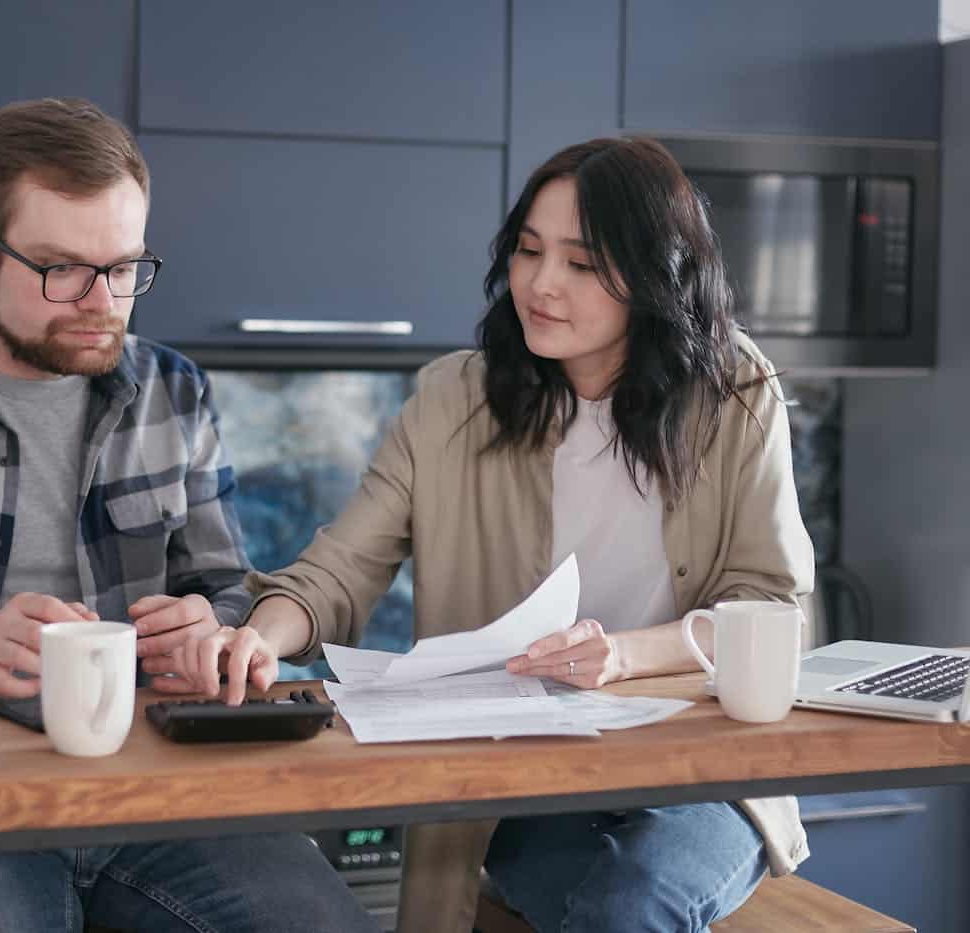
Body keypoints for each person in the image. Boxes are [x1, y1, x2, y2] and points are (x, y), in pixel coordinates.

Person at [156, 137, 816, 933]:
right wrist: (262, 636)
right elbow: (335, 572)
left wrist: (629, 652)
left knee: (636, 899)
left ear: (653, 275)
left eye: (580, 263)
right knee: (605, 912)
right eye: (529, 251)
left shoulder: (735, 391)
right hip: (526, 777)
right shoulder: (452, 400)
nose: (540, 284)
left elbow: (772, 605)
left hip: (698, 769)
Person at [0, 97, 376, 933]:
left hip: (161, 792)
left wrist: (212, 627)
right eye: (63, 269)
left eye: (125, 267)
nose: (104, 301)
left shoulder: (174, 391)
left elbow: (227, 592)